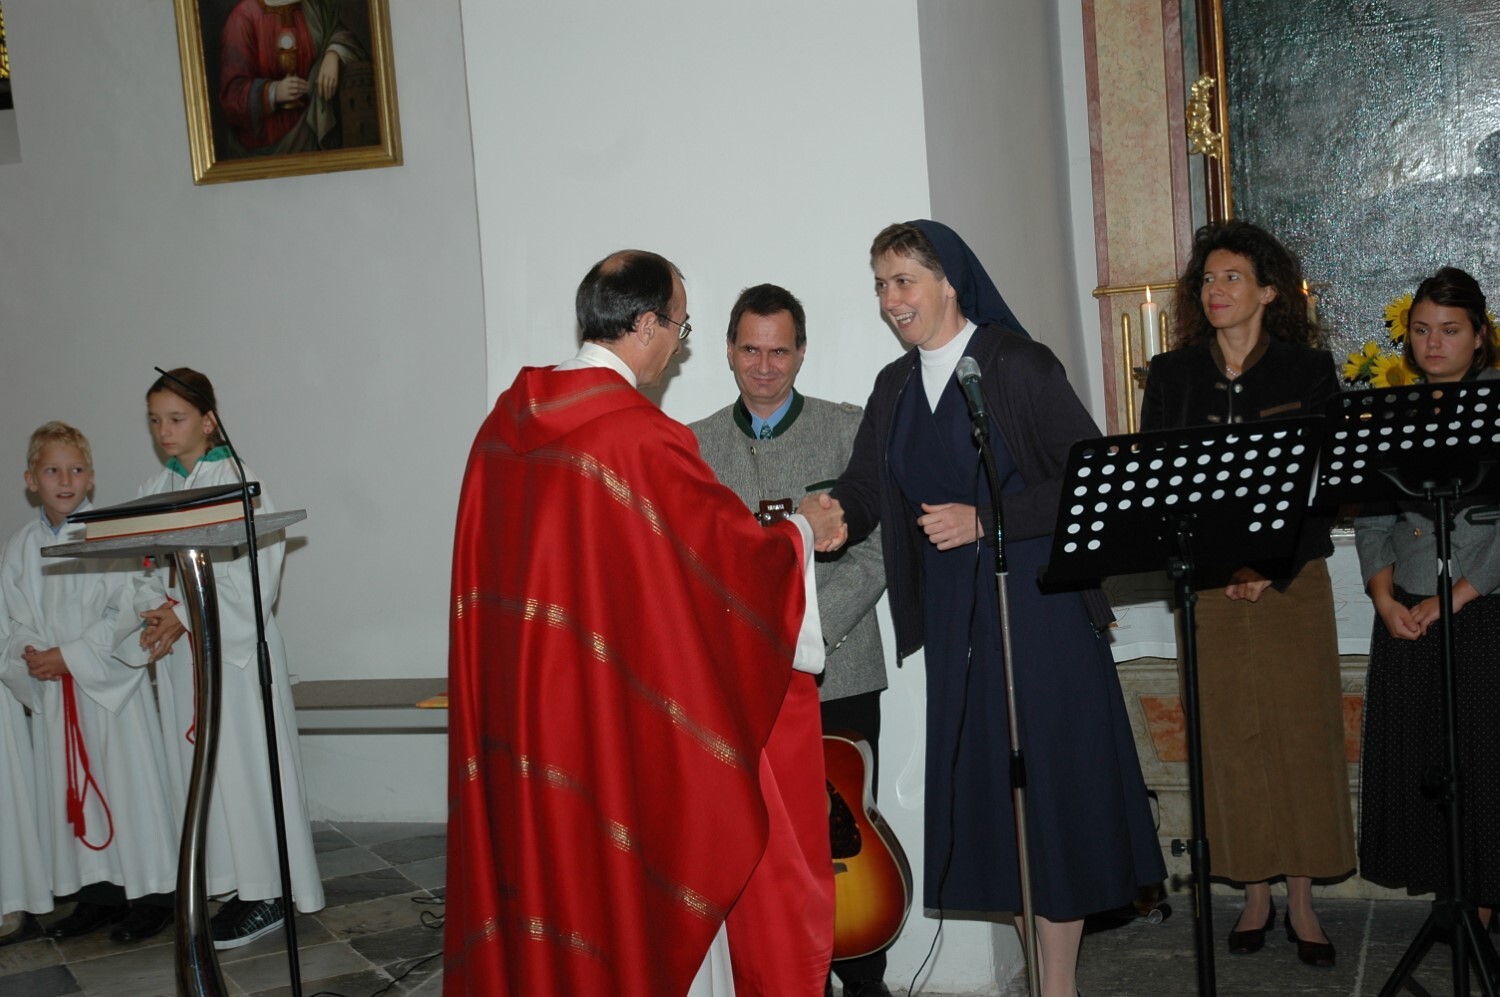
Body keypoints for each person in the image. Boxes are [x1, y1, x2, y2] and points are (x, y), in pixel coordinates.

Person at [445, 251, 840, 996]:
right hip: (609, 719)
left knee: (543, 880)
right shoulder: (636, 437)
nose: (679, 348)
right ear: (648, 324)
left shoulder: (503, 424)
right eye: (682, 328)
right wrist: (799, 533)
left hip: (524, 715)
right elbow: (731, 564)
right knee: (621, 889)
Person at [803, 221, 1165, 997]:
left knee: (1049, 804)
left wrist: (987, 519)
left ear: (950, 282)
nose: (890, 299)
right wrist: (830, 514)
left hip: (1038, 614)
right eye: (881, 284)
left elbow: (1090, 479)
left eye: (903, 280)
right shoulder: (895, 386)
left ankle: (1056, 986)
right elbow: (867, 485)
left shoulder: (1016, 365)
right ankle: (1042, 980)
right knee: (1002, 809)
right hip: (958, 622)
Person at [1141, 220, 1355, 968]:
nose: (1216, 289)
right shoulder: (1172, 375)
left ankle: (1302, 898)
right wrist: (1221, 565)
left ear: (1268, 291)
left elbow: (1327, 484)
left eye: (1232, 277)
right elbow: (1158, 488)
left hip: (1292, 583)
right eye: (1207, 279)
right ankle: (1253, 893)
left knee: (1301, 735)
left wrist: (1269, 564)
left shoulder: (1307, 370)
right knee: (1228, 739)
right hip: (1208, 588)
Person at [690, 284, 893, 997]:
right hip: (738, 690)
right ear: (728, 351)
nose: (765, 366)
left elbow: (877, 555)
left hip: (840, 673)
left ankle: (862, 979)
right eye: (751, 349)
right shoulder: (693, 445)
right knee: (760, 849)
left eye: (779, 351)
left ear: (802, 352)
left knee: (845, 841)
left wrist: (802, 635)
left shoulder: (848, 429)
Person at [126, 370, 323, 948]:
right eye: (155, 420)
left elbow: (254, 576)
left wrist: (181, 615)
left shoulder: (239, 481)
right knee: (203, 774)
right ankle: (231, 882)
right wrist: (155, 611)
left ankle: (269, 892)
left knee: (246, 768)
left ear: (209, 421)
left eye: (176, 418)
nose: (164, 431)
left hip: (233, 656)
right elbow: (143, 569)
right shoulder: (154, 487)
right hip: (183, 655)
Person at [1355, 266, 1500, 918]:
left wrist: (1458, 595)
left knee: (1485, 757)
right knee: (1427, 754)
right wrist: (1385, 599)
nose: (1433, 343)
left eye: (1449, 330)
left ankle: (1486, 899)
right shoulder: (1396, 409)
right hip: (1408, 608)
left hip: (1484, 607)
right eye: (1420, 330)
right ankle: (1451, 890)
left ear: (1480, 335)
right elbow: (1372, 517)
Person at [0, 423, 178, 944]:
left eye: (75, 470)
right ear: (31, 479)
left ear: (91, 477)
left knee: (128, 787)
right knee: (70, 793)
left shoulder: (108, 534)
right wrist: (33, 656)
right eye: (52, 471)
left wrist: (71, 656)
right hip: (58, 690)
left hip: (110, 693)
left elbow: (128, 606)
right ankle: (98, 895)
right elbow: (14, 619)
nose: (65, 480)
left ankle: (154, 896)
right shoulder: (21, 546)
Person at [217, 0, 366, 156]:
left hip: (312, 140)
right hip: (264, 151)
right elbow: (231, 95)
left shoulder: (311, 8)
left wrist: (333, 53)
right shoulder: (243, 16)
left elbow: (339, 34)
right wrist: (274, 92)